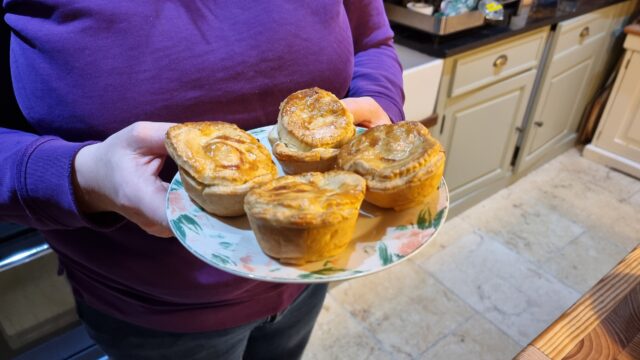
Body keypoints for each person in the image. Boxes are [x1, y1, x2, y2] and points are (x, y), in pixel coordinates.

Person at [1, 1, 404, 358]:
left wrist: (379, 123)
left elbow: (370, 40)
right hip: (154, 313)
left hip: (308, 266)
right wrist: (83, 175)